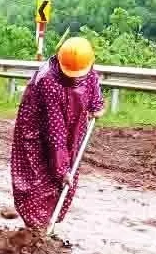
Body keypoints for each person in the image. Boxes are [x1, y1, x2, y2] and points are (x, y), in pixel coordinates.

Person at [10, 36, 106, 229]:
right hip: (37, 134)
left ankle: (50, 224)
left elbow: (93, 90)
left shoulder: (86, 70)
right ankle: (37, 228)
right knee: (38, 180)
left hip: (74, 128)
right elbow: (56, 132)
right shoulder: (48, 81)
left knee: (65, 177)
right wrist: (62, 170)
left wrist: (97, 107)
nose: (75, 77)